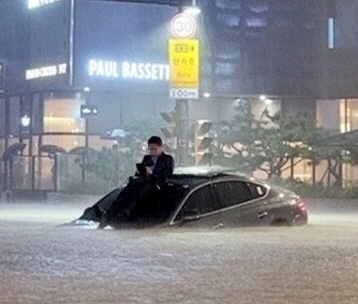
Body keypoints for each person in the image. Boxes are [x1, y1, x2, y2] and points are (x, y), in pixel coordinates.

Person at [97, 135, 174, 229]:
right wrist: (140, 172)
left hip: (156, 183)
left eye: (154, 149)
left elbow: (167, 175)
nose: (152, 151)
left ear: (161, 147)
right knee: (127, 189)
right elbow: (140, 173)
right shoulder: (147, 158)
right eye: (150, 149)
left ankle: (127, 211)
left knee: (142, 191)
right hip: (144, 180)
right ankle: (110, 213)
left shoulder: (168, 159)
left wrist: (152, 173)